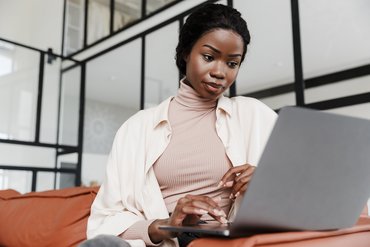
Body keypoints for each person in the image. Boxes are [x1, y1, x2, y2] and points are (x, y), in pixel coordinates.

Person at [87, 3, 277, 247]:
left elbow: (302, 190)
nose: (220, 72)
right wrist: (168, 225)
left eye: (232, 63)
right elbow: (104, 223)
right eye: (209, 57)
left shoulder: (254, 115)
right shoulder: (137, 129)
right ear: (186, 52)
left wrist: (266, 183)